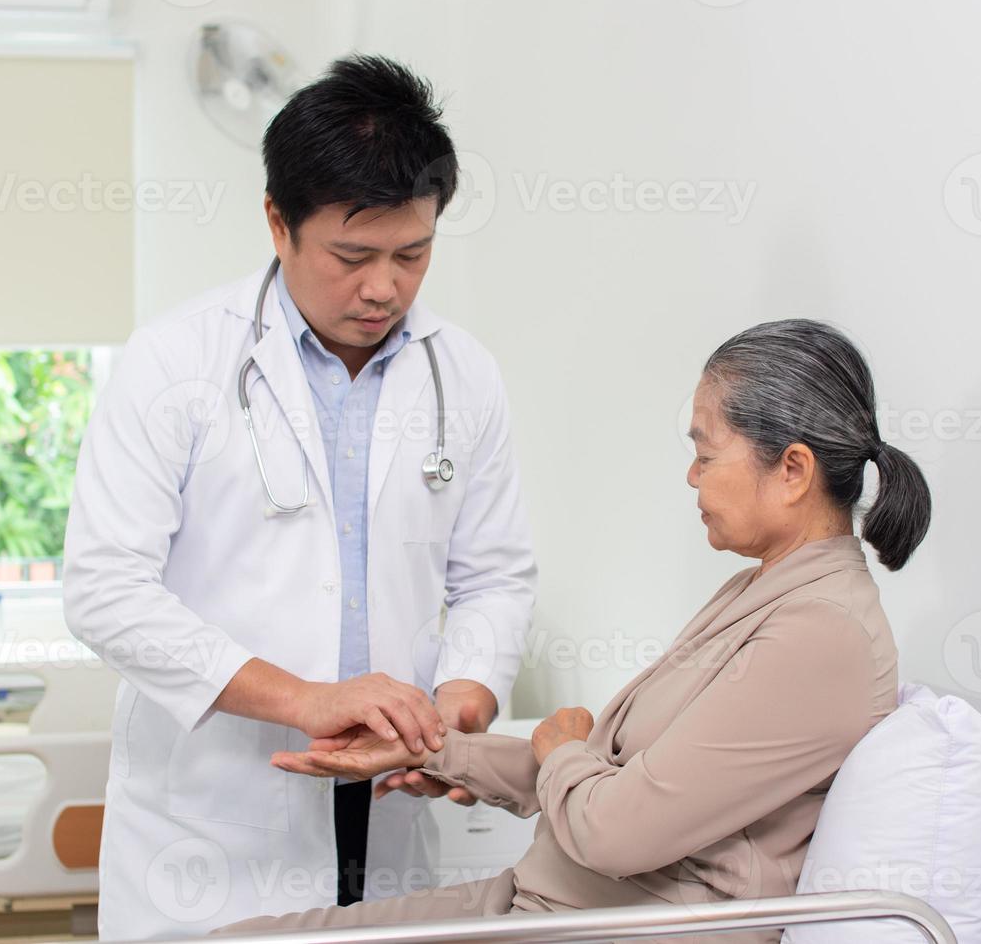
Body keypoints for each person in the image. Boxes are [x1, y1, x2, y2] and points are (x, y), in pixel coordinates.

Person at [232, 319, 932, 944]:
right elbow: (608, 773)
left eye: (707, 454)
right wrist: (428, 750)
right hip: (551, 905)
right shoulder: (765, 594)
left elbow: (615, 826)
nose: (691, 476)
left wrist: (565, 751)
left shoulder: (823, 635)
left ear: (793, 469)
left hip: (607, 925)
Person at [63, 55, 537, 939]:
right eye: (353, 255)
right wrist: (302, 698)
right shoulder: (176, 361)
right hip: (213, 827)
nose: (384, 287)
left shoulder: (462, 373)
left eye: (413, 253)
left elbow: (495, 577)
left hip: (393, 809)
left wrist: (460, 710)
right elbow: (104, 591)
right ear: (278, 224)